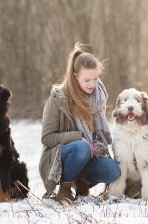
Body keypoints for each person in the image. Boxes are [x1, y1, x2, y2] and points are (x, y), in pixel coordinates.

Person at [39, 44, 121, 202]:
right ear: (75, 76)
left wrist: (97, 145)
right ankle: (65, 188)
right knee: (81, 146)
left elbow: (98, 134)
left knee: (113, 172)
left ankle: (81, 181)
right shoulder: (58, 99)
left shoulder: (98, 98)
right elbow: (47, 138)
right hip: (61, 156)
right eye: (87, 80)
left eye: (96, 79)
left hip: (88, 155)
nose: (92, 84)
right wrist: (77, 137)